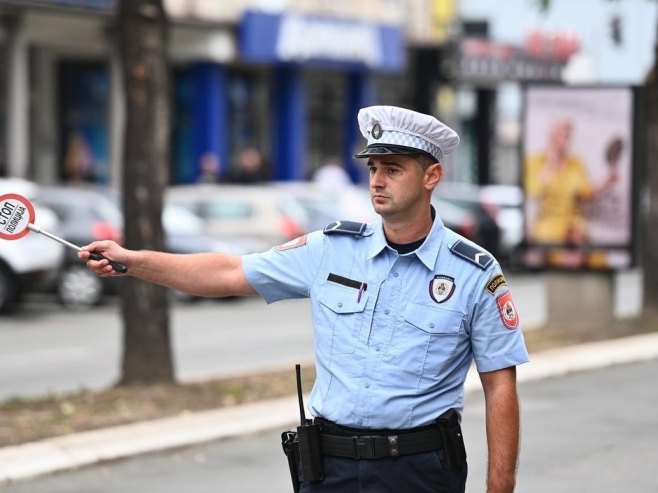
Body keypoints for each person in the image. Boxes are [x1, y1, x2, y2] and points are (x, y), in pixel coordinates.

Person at [79, 105, 529, 493]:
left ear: (432, 175)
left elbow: (499, 385)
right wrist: (133, 261)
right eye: (373, 169)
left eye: (393, 169)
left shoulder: (474, 272)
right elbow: (230, 271)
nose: (378, 181)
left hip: (417, 470)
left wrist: (499, 487)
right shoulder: (331, 249)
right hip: (328, 468)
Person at [524, 118, 618, 247]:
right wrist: (550, 165)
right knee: (544, 243)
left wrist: (606, 183)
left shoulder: (576, 163)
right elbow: (532, 192)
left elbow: (587, 192)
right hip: (546, 222)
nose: (564, 140)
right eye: (561, 135)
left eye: (568, 136)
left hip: (573, 222)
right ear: (551, 136)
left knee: (580, 239)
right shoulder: (534, 161)